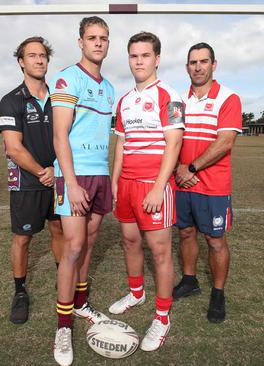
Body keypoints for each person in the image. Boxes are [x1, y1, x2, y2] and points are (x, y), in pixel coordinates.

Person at [109, 31, 184, 352]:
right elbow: (122, 144)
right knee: (129, 241)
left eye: (145, 55)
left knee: (160, 251)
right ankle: (136, 293)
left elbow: (175, 143)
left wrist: (158, 187)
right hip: (126, 185)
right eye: (134, 56)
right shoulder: (124, 100)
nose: (139, 61)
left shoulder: (170, 95)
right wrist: (114, 182)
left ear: (157, 59)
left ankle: (162, 316)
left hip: (154, 186)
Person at [50, 16, 114, 366]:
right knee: (73, 247)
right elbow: (60, 136)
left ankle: (81, 304)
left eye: (103, 38)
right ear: (80, 42)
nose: (98, 43)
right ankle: (62, 326)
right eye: (92, 38)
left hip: (101, 175)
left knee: (89, 242)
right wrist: (71, 183)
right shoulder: (67, 78)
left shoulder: (110, 88)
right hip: (73, 177)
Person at [0, 36, 64, 325]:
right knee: (23, 238)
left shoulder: (61, 97)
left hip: (58, 178)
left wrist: (56, 171)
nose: (39, 60)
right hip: (28, 181)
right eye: (32, 56)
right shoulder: (11, 100)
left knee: (60, 229)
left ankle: (65, 278)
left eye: (43, 55)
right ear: (21, 61)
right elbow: (13, 147)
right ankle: (20, 291)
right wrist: (42, 172)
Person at [172, 42, 242, 324]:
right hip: (182, 184)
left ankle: (218, 292)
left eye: (203, 61)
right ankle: (190, 280)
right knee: (186, 233)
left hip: (212, 186)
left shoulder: (229, 98)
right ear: (187, 66)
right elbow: (173, 138)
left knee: (215, 241)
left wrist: (190, 167)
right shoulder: (178, 100)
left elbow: (225, 142)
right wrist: (179, 170)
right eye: (193, 62)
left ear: (214, 64)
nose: (198, 67)